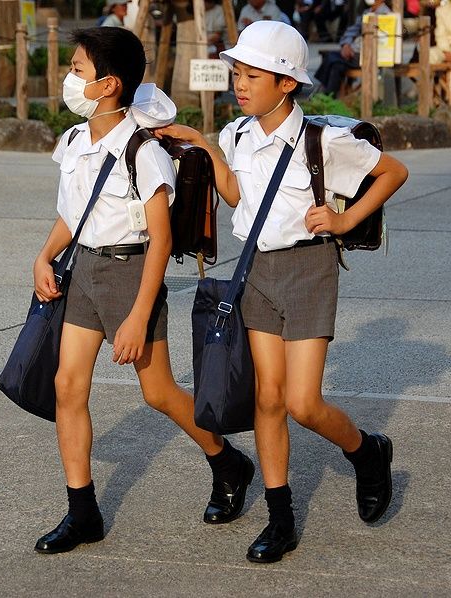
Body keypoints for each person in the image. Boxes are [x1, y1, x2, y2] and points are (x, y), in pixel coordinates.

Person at [155, 20, 407, 564]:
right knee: (268, 399)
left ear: (287, 82)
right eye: (237, 74)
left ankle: (367, 451)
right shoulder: (237, 135)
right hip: (256, 272)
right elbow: (236, 195)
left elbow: (393, 172)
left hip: (309, 269)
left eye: (252, 75)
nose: (239, 85)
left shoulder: (323, 141)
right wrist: (204, 147)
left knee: (303, 403)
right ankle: (281, 516)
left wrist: (345, 221)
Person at [31, 26, 255, 555]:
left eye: (78, 69)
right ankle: (82, 510)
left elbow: (161, 239)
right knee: (68, 387)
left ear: (108, 84)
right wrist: (43, 255)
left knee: (157, 393)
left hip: (131, 274)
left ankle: (227, 460)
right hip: (84, 271)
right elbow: (73, 213)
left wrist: (137, 316)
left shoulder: (142, 150)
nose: (69, 78)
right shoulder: (74, 141)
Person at [313, 0, 391, 97]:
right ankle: (328, 95)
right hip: (355, 51)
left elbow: (383, 41)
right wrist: (346, 44)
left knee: (333, 59)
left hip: (367, 55)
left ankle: (325, 94)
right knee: (336, 63)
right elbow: (352, 30)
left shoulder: (386, 14)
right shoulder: (367, 12)